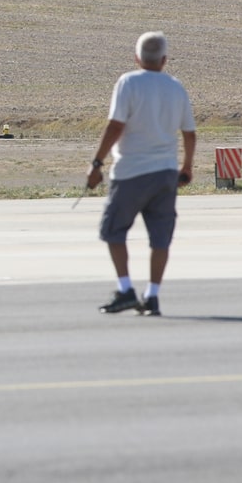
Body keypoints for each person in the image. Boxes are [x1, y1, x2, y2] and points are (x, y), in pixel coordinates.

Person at [86, 32, 196, 317]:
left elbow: (115, 126)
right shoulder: (176, 87)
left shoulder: (129, 82)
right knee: (161, 237)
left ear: (137, 58)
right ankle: (153, 295)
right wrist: (187, 166)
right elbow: (189, 132)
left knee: (113, 231)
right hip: (165, 173)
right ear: (164, 60)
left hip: (131, 171)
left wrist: (97, 163)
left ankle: (125, 289)